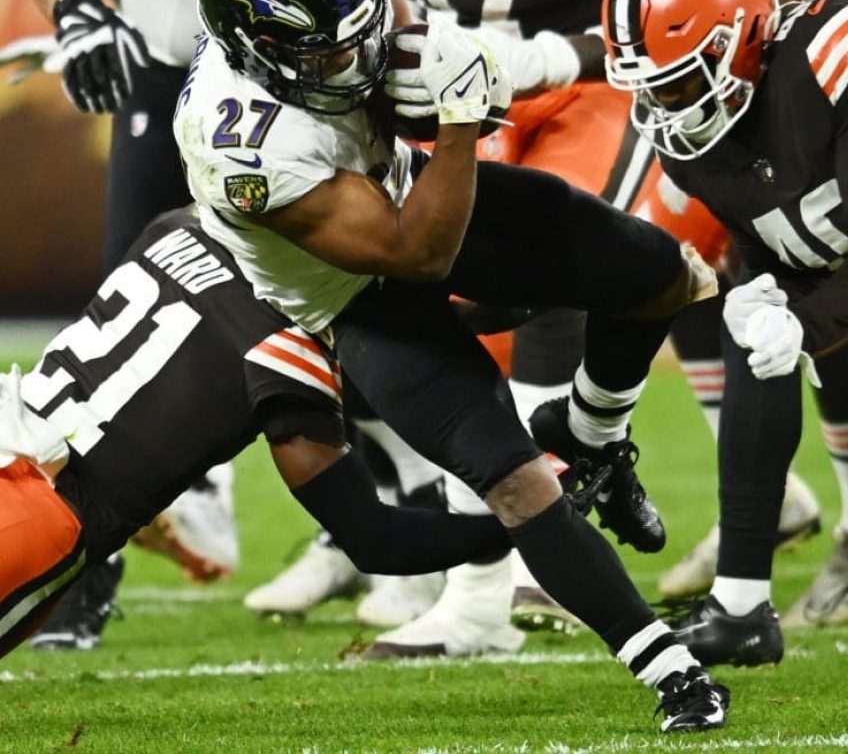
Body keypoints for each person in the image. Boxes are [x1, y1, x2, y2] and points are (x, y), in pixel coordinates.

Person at [174, 0, 730, 732]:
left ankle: (592, 439)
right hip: (355, 292)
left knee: (666, 277)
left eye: (355, 33)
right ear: (261, 51)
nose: (354, 59)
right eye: (329, 53)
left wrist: (438, 60)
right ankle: (672, 672)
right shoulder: (237, 145)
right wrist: (461, 117)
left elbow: (402, 40)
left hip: (404, 193)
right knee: (515, 481)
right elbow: (416, 254)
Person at [248, 0, 680, 648]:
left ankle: (562, 505)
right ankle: (481, 591)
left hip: (586, 87)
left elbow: (666, 0)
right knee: (442, 300)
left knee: (560, 271)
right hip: (445, 87)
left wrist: (548, 57)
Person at [13, 0, 343, 640]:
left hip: (315, 83)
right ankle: (83, 573)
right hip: (168, 68)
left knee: (361, 299)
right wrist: (81, 7)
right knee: (121, 318)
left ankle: (388, 530)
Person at [0, 205, 516, 658]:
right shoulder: (282, 350)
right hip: (41, 515)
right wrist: (522, 520)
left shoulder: (175, 227)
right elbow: (377, 540)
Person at [601, 0, 848, 665]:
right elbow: (790, 244)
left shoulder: (833, 53)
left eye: (676, 79)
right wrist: (771, 300)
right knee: (754, 324)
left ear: (741, 36)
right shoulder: (693, 144)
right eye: (650, 85)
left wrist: (808, 322)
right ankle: (740, 608)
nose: (666, 104)